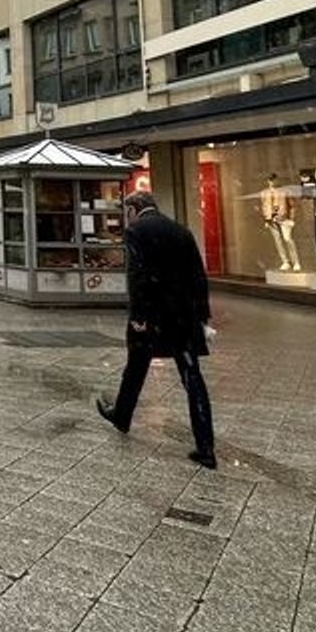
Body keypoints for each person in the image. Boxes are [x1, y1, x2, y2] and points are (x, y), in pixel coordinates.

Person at [95, 190, 217, 469]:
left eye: (126, 212)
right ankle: (206, 446)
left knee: (136, 366)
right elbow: (198, 276)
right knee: (192, 377)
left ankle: (122, 416)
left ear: (134, 209)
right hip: (183, 318)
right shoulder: (180, 231)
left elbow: (137, 276)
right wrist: (201, 315)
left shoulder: (137, 231)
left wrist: (138, 316)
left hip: (152, 316)